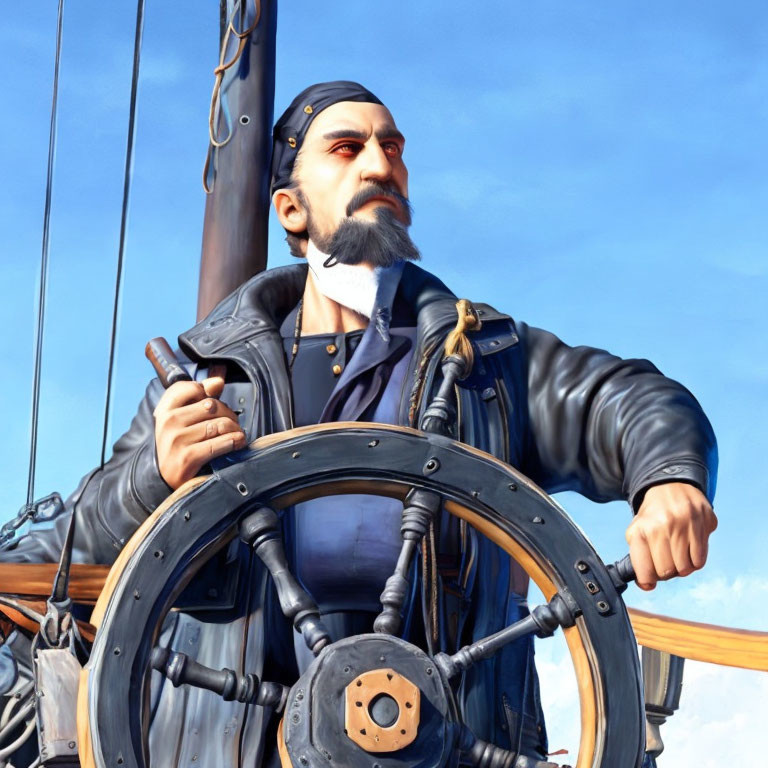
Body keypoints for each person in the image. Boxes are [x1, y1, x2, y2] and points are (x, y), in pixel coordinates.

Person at [1, 81, 717, 765]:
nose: (382, 165)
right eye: (347, 149)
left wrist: (670, 480)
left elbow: (627, 400)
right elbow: (73, 552)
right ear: (290, 208)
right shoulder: (213, 379)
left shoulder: (484, 365)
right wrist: (154, 475)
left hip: (444, 744)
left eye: (394, 148)